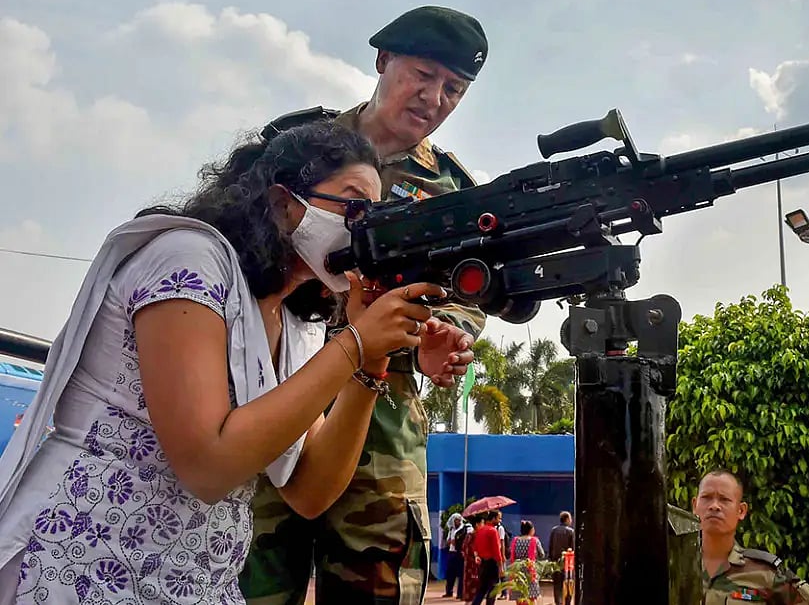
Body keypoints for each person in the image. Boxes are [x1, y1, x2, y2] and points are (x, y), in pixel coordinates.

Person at [0, 119, 472, 603]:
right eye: (353, 204)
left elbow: (309, 490)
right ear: (282, 203)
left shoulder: (293, 322)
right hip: (82, 558)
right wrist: (352, 343)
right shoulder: (187, 258)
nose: (366, 224)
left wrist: (371, 363)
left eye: (375, 211)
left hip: (189, 574)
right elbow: (208, 467)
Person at [241, 4, 490, 605]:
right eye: (423, 75)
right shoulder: (293, 148)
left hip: (378, 429)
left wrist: (441, 337)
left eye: (453, 89)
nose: (435, 98)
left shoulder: (452, 193)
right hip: (271, 401)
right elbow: (240, 253)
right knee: (241, 584)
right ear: (382, 61)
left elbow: (465, 297)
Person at [693, 469, 809, 605]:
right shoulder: (674, 566)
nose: (714, 506)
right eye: (706, 497)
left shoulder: (765, 573)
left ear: (741, 511)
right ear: (695, 506)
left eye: (724, 499)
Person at [507, 520, 546, 605]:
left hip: (517, 572)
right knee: (531, 597)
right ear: (531, 530)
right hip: (530, 572)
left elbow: (511, 554)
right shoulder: (534, 540)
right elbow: (542, 554)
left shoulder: (515, 540)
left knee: (519, 596)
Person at [469, 511, 504, 605]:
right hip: (492, 563)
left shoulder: (480, 530)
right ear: (493, 518)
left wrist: (477, 556)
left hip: (483, 563)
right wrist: (501, 567)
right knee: (493, 589)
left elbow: (475, 546)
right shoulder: (493, 531)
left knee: (482, 589)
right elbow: (497, 551)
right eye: (498, 518)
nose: (500, 520)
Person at [547, 511, 574, 605]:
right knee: (567, 583)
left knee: (557, 585)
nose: (571, 520)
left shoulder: (554, 530)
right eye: (570, 518)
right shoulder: (571, 531)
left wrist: (550, 560)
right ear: (567, 519)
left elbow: (550, 546)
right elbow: (573, 548)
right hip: (567, 564)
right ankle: (567, 602)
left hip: (555, 562)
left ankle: (558, 602)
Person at [443, 513, 466, 599]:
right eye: (456, 520)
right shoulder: (451, 530)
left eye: (459, 519)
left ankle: (460, 593)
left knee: (461, 574)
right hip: (451, 553)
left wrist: (457, 542)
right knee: (450, 573)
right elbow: (447, 541)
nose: (458, 521)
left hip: (459, 553)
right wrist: (450, 542)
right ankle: (449, 591)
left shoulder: (464, 529)